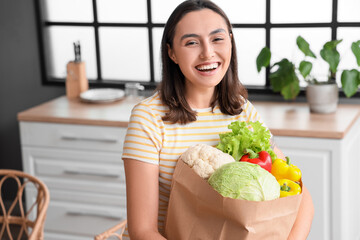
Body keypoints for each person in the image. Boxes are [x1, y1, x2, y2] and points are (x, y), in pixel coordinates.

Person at [122, 0, 314, 239]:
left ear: (230, 42)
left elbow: (301, 198)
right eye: (192, 42)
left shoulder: (243, 111)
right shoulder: (148, 118)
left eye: (217, 39)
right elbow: (142, 231)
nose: (207, 52)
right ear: (171, 52)